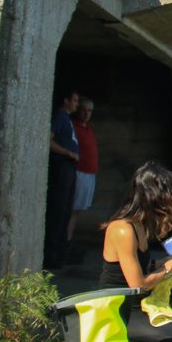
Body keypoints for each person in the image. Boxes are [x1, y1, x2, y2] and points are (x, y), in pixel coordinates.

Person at [98, 161, 172, 342]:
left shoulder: (140, 225)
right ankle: (121, 341)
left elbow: (139, 268)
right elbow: (138, 285)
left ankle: (167, 335)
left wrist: (164, 262)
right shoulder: (122, 229)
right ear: (155, 196)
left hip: (140, 302)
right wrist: (166, 268)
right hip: (121, 310)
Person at [44, 89, 79, 269]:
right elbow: (48, 140)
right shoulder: (59, 116)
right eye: (74, 100)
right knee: (58, 210)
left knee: (65, 211)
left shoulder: (67, 119)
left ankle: (59, 251)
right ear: (65, 100)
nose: (76, 104)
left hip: (70, 166)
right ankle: (51, 255)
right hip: (62, 165)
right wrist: (68, 153)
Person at [67, 97, 98, 248]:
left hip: (89, 173)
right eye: (84, 110)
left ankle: (68, 241)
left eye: (89, 111)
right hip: (79, 173)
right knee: (72, 210)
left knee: (77, 211)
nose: (86, 114)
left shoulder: (88, 128)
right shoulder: (73, 126)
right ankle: (65, 243)